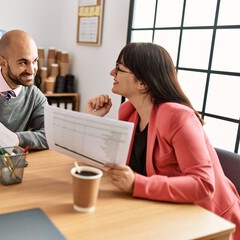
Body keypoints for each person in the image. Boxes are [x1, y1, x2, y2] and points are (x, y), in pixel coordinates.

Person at [86, 42, 240, 239]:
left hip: (209, 223)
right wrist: (93, 119)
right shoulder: (128, 112)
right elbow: (113, 165)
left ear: (143, 83)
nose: (111, 72)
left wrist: (136, 185)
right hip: (165, 211)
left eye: (119, 68)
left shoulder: (178, 117)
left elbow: (203, 185)